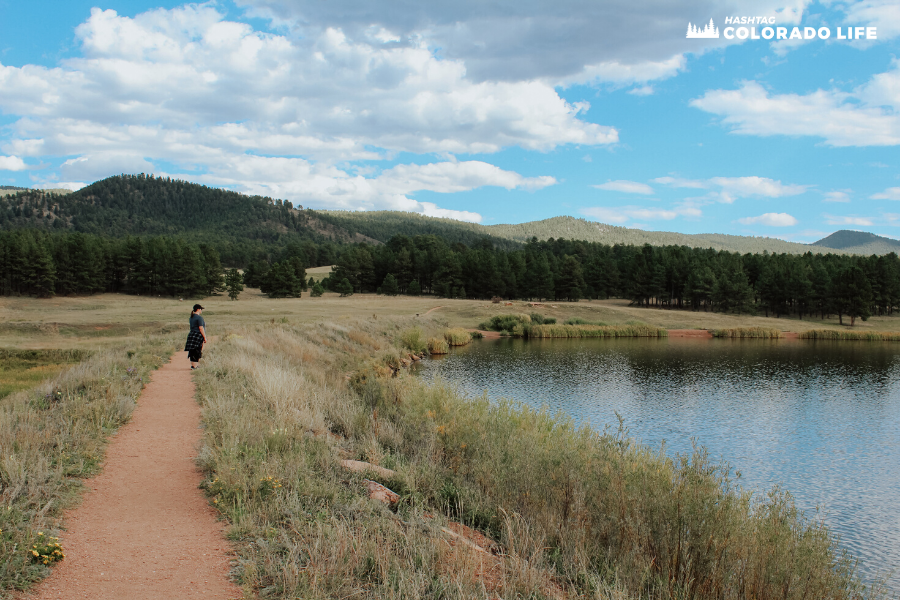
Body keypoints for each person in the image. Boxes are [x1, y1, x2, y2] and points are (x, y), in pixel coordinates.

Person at [185, 304, 208, 369]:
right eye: (201, 309)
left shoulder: (191, 317)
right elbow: (201, 328)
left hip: (192, 334)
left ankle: (193, 365)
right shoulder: (199, 318)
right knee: (197, 350)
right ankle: (195, 366)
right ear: (198, 309)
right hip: (197, 335)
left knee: (192, 350)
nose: (201, 310)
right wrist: (204, 337)